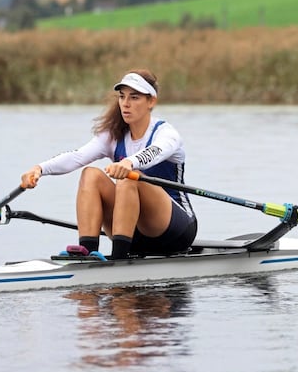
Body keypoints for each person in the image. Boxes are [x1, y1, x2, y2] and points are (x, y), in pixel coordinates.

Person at [20, 69, 197, 259]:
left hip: (174, 230)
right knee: (91, 175)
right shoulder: (113, 136)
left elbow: (156, 151)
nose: (126, 104)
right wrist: (39, 168)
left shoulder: (166, 133)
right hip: (132, 232)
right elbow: (77, 157)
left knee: (130, 178)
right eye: (122, 97)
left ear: (151, 101)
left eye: (134, 97)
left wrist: (129, 163)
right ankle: (87, 252)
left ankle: (119, 257)